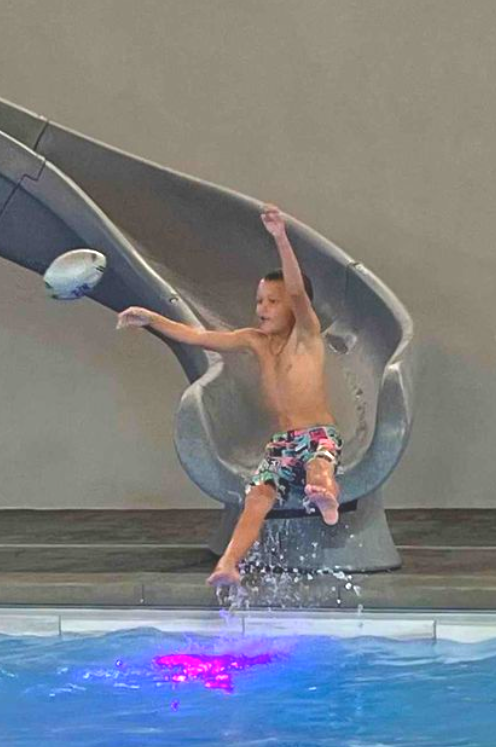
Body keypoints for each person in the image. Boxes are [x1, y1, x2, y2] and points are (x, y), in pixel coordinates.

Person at [117, 205, 341, 586]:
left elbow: (297, 290)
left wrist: (280, 238)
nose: (263, 308)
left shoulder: (307, 335)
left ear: (294, 307)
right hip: (281, 444)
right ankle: (228, 564)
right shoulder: (254, 342)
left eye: (273, 301)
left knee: (319, 468)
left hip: (317, 434)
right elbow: (200, 336)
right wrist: (151, 319)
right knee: (257, 497)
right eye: (259, 301)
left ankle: (326, 496)